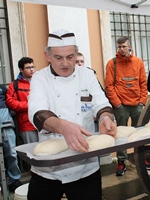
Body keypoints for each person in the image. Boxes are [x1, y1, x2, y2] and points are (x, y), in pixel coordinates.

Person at [27, 29, 116, 200]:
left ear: (76, 54)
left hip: (85, 167)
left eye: (70, 57)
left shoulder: (87, 74)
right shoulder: (40, 78)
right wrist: (63, 126)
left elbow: (102, 103)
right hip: (48, 170)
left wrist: (105, 118)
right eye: (58, 58)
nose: (65, 63)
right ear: (47, 56)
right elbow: (37, 112)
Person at [105, 36, 148, 176]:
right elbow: (109, 86)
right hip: (121, 106)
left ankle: (140, 159)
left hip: (137, 104)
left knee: (138, 133)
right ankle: (121, 161)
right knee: (121, 136)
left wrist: (142, 101)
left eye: (124, 46)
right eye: (119, 47)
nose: (121, 49)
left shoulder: (138, 62)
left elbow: (143, 82)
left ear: (129, 46)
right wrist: (117, 104)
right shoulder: (112, 64)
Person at [6, 57, 38, 144]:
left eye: (33, 67)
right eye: (28, 68)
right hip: (27, 124)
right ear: (21, 69)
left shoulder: (40, 82)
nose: (31, 70)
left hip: (44, 123)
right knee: (32, 152)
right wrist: (29, 105)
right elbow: (11, 102)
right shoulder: (15, 85)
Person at [0, 84, 22, 192]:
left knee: (12, 153)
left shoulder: (3, 88)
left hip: (6, 124)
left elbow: (10, 101)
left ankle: (14, 180)